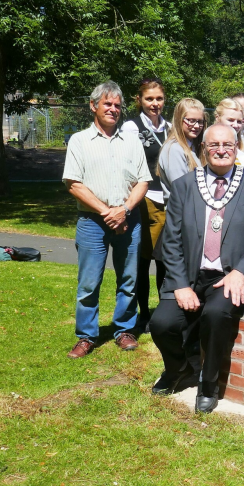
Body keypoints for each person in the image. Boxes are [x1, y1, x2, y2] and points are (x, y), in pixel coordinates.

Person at [150, 123, 244, 413]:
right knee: (161, 324)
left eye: (227, 145)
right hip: (190, 276)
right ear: (204, 149)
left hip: (229, 275)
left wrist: (241, 272)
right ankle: (178, 368)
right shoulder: (184, 185)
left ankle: (209, 383)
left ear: (236, 148)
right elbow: (171, 240)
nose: (221, 150)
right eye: (214, 145)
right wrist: (180, 284)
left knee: (216, 315)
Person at [62, 80, 152, 358]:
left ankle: (124, 330)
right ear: (93, 106)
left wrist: (124, 210)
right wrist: (108, 212)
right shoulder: (79, 140)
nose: (113, 109)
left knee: (129, 279)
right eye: (107, 104)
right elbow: (73, 183)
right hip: (92, 222)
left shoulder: (132, 140)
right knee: (89, 283)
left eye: (117, 105)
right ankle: (86, 336)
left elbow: (143, 181)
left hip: (129, 219)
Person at [121, 78, 171, 332]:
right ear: (139, 100)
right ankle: (142, 313)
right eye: (149, 98)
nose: (155, 104)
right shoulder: (131, 127)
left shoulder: (170, 127)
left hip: (167, 201)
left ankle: (162, 313)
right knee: (142, 260)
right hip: (143, 200)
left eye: (159, 98)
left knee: (164, 260)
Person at [157, 98, 207, 201]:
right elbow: (181, 189)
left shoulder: (195, 146)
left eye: (200, 121)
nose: (196, 126)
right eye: (191, 121)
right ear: (179, 120)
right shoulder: (174, 149)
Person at [214, 98, 244, 173]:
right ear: (218, 118)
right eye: (230, 120)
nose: (236, 125)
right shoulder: (208, 147)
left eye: (239, 121)